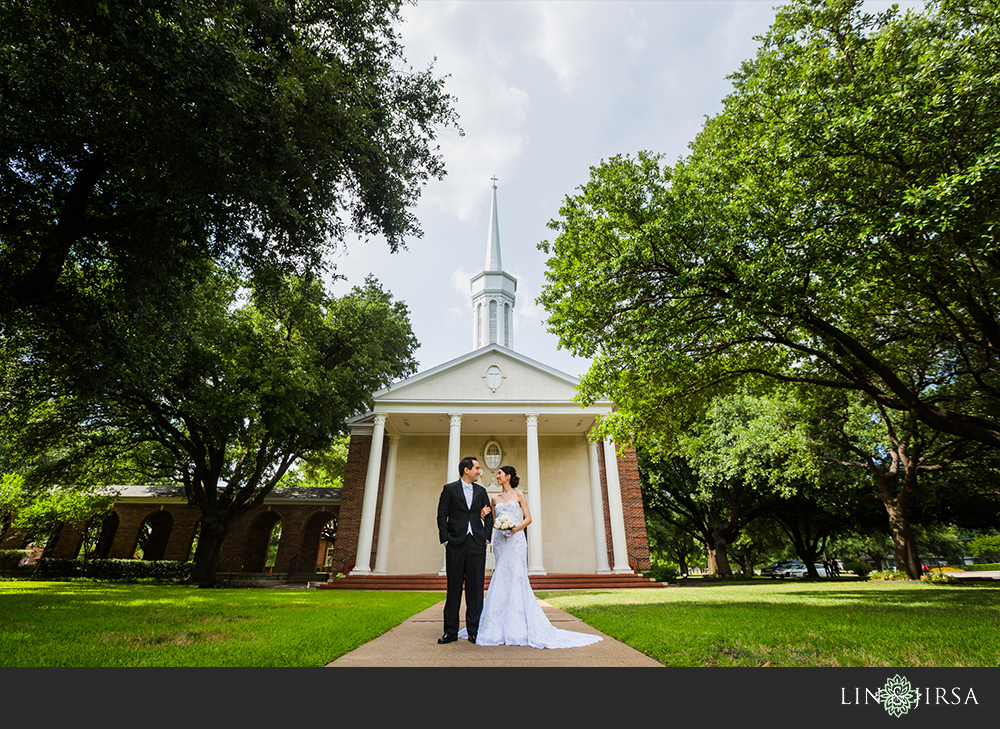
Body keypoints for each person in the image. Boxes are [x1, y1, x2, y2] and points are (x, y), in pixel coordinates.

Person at [458, 464, 603, 649]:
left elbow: (528, 518)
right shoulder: (494, 499)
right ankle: (495, 623)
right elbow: (492, 521)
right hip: (501, 541)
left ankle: (518, 623)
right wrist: (488, 519)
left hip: (516, 540)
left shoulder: (519, 495)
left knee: (516, 577)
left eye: (500, 474)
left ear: (508, 476)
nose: (497, 476)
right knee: (501, 576)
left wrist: (514, 528)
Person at [437, 455, 493, 644]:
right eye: (477, 468)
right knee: (453, 588)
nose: (479, 471)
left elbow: (489, 517)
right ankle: (450, 631)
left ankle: (474, 631)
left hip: (476, 543)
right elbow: (441, 515)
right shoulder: (449, 489)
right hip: (455, 544)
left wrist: (486, 537)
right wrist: (445, 539)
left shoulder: (481, 491)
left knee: (475, 589)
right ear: (466, 470)